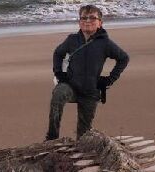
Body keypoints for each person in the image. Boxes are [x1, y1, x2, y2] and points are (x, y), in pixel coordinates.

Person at [45, 4, 129, 141]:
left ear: (100, 23)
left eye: (92, 18)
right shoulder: (72, 40)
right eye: (83, 17)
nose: (87, 20)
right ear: (79, 22)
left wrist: (109, 79)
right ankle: (52, 138)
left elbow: (124, 58)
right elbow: (58, 53)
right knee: (58, 94)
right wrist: (59, 73)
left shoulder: (105, 43)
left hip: (91, 92)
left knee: (83, 136)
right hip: (70, 86)